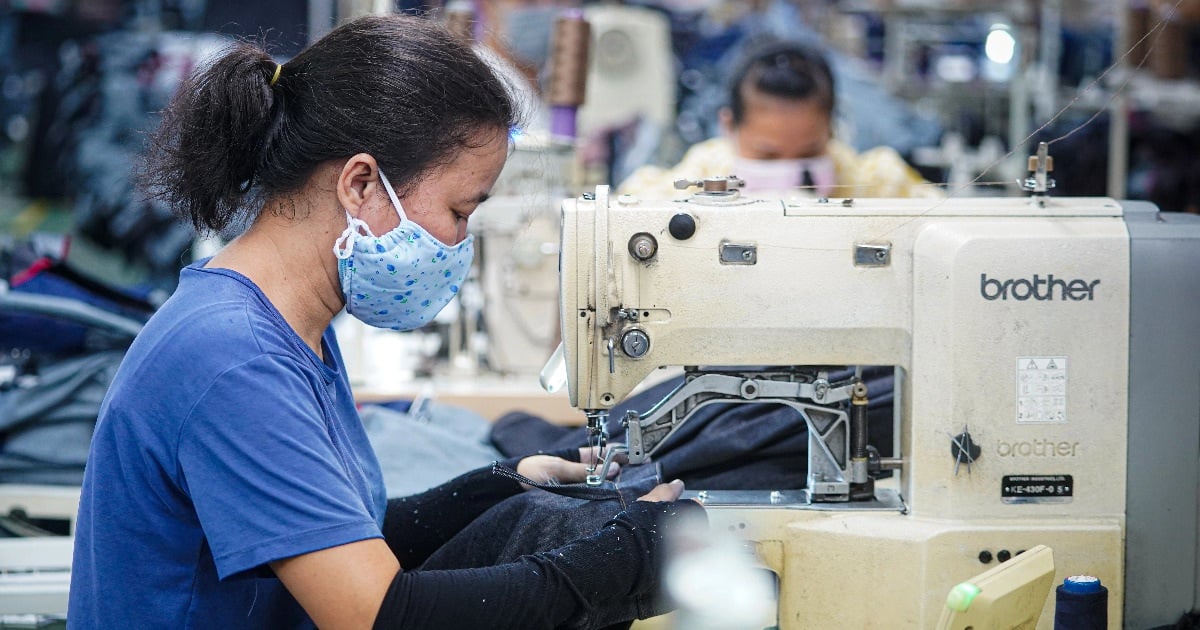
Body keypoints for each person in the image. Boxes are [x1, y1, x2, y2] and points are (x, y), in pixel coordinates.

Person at [67, 14, 702, 629]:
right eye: (460, 210)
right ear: (361, 184)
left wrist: (498, 487)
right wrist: (622, 559)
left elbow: (331, 543)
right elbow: (378, 614)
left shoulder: (288, 329)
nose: (461, 240)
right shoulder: (236, 358)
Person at [618, 38, 940, 199]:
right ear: (728, 126)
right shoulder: (699, 181)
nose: (790, 177)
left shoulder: (876, 184)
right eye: (768, 156)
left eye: (808, 154)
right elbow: (624, 210)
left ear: (833, 128)